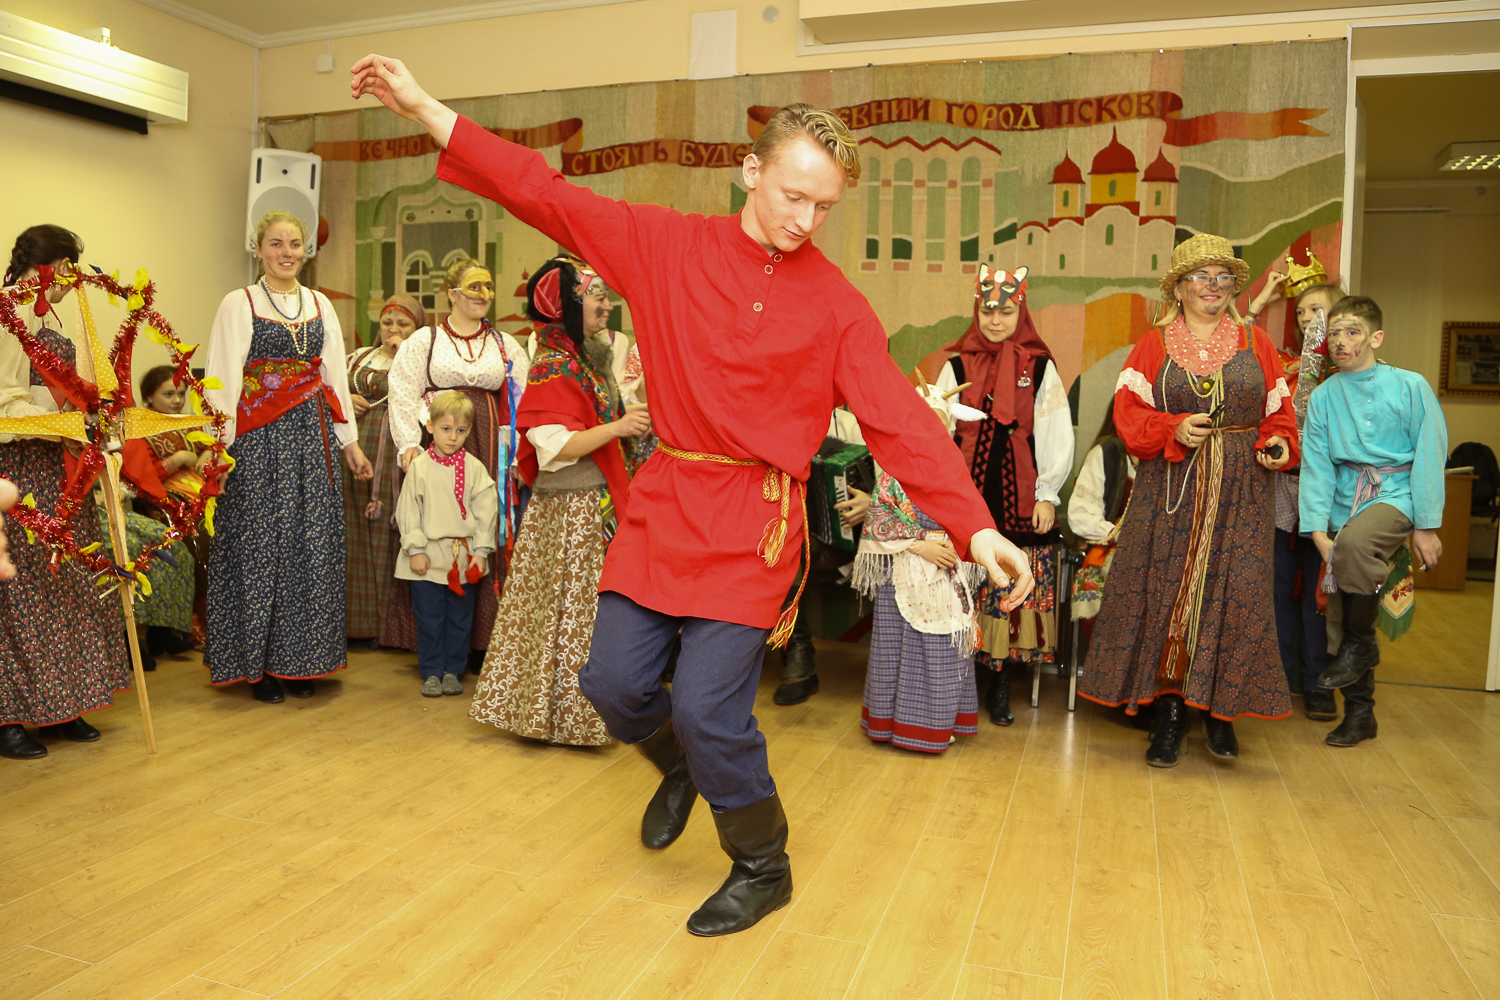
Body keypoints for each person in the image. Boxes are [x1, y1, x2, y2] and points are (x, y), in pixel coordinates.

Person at [351, 55, 1032, 938]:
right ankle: (679, 765)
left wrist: (976, 529)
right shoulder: (664, 245)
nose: (805, 219)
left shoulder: (837, 305)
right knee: (611, 684)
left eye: (824, 206)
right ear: (751, 171)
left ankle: (763, 863)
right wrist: (422, 106)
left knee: (711, 708)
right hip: (668, 498)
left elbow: (901, 421)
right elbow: (543, 193)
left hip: (756, 520)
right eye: (792, 195)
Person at [1079, 233, 1297, 768]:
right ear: (1178, 288)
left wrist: (1277, 445)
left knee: (1237, 594)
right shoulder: (1152, 346)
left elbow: (1280, 416)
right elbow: (1128, 418)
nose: (1212, 287)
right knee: (1168, 594)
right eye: (1200, 277)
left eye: (1222, 278)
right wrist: (1172, 428)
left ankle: (1222, 714)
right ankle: (1170, 714)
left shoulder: (1257, 344)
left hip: (1243, 492)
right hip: (1169, 492)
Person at [470, 257, 646, 745]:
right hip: (570, 508)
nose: (606, 305)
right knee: (569, 614)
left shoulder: (583, 357)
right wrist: (617, 427)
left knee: (572, 615)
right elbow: (553, 447)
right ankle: (567, 720)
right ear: (569, 305)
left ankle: (572, 717)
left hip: (588, 502)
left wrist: (628, 417)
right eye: (596, 296)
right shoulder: (554, 365)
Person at [202, 210, 373, 704]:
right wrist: (218, 450)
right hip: (256, 443)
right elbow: (221, 381)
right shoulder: (239, 303)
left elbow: (334, 378)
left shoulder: (320, 304)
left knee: (310, 548)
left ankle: (302, 660)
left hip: (312, 441)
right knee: (261, 549)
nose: (286, 252)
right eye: (276, 243)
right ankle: (257, 667)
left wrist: (350, 443)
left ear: (305, 250)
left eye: (294, 243)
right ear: (258, 248)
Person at [0, 225, 131, 759]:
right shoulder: (7, 312)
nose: (72, 280)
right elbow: (5, 401)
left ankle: (62, 705)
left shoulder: (53, 316)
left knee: (67, 584)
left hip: (61, 470)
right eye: (68, 268)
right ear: (49, 265)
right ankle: (10, 717)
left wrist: (94, 418)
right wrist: (63, 422)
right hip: (19, 469)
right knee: (20, 595)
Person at [1300, 295, 1447, 747]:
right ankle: (1361, 714)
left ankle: (1361, 644)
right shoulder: (1324, 396)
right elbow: (1317, 466)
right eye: (1335, 333)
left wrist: (1427, 525)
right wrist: (1317, 530)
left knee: (1356, 545)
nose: (1340, 342)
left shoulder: (1410, 386)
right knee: (1342, 607)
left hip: (1396, 495)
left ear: (1375, 337)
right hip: (1344, 502)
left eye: (1352, 332)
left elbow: (1431, 453)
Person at [935, 264, 1073, 727]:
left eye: (1007, 311)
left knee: (1007, 588)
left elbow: (1055, 430)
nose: (996, 320)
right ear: (977, 311)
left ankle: (999, 683)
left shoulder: (1039, 367)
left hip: (1019, 497)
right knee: (959, 587)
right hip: (966, 495)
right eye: (988, 310)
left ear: (1021, 313)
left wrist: (1047, 493)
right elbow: (936, 430)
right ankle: (956, 679)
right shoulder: (956, 366)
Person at [383, 259, 529, 664]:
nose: (483, 295)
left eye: (488, 287)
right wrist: (409, 444)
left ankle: (484, 643)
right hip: (440, 447)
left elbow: (523, 398)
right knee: (436, 529)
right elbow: (403, 392)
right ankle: (435, 649)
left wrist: (519, 452)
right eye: (473, 287)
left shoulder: (505, 344)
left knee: (485, 527)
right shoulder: (425, 340)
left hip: (490, 446)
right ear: (451, 293)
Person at [854, 385, 987, 753]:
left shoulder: (955, 472)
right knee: (897, 651)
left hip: (945, 569)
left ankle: (938, 724)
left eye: (938, 425)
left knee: (943, 651)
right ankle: (893, 724)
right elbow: (879, 518)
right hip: (905, 568)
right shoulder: (895, 471)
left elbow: (972, 515)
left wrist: (958, 542)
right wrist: (921, 545)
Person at [1256, 257, 1344, 720]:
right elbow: (1238, 352)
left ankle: (1318, 684)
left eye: (1317, 310)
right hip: (1283, 494)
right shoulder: (1285, 366)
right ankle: (1279, 678)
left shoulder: (1349, 374)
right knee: (1276, 590)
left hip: (1329, 500)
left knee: (1319, 594)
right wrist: (1261, 301)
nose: (1308, 319)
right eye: (1302, 312)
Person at [395, 390, 498, 697]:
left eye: (460, 430)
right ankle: (431, 671)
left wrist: (481, 552)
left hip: (462, 558)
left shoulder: (475, 468)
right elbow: (408, 511)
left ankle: (452, 669)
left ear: (469, 430)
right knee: (429, 618)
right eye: (446, 429)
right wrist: (415, 549)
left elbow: (486, 512)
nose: (453, 437)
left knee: (459, 618)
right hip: (426, 556)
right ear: (430, 427)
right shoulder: (420, 467)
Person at [345, 294, 424, 645]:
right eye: (387, 322)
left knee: (391, 531)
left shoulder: (422, 360)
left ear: (417, 328)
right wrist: (347, 399)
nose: (394, 329)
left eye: (403, 324)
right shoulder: (360, 357)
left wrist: (406, 355)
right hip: (355, 452)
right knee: (353, 532)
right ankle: (356, 625)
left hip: (395, 451)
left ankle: (390, 629)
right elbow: (329, 390)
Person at [137, 364, 212, 655]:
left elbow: (212, 447)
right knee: (198, 532)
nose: (177, 400)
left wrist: (208, 453)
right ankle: (193, 625)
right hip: (161, 498)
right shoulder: (139, 428)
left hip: (199, 491)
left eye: (181, 394)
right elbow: (140, 475)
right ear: (149, 397)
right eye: (168, 394)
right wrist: (177, 460)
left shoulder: (190, 422)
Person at [1066, 398, 1136, 639]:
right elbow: (1080, 514)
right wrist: (1122, 534)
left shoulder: (1171, 457)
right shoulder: (1108, 453)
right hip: (1112, 556)